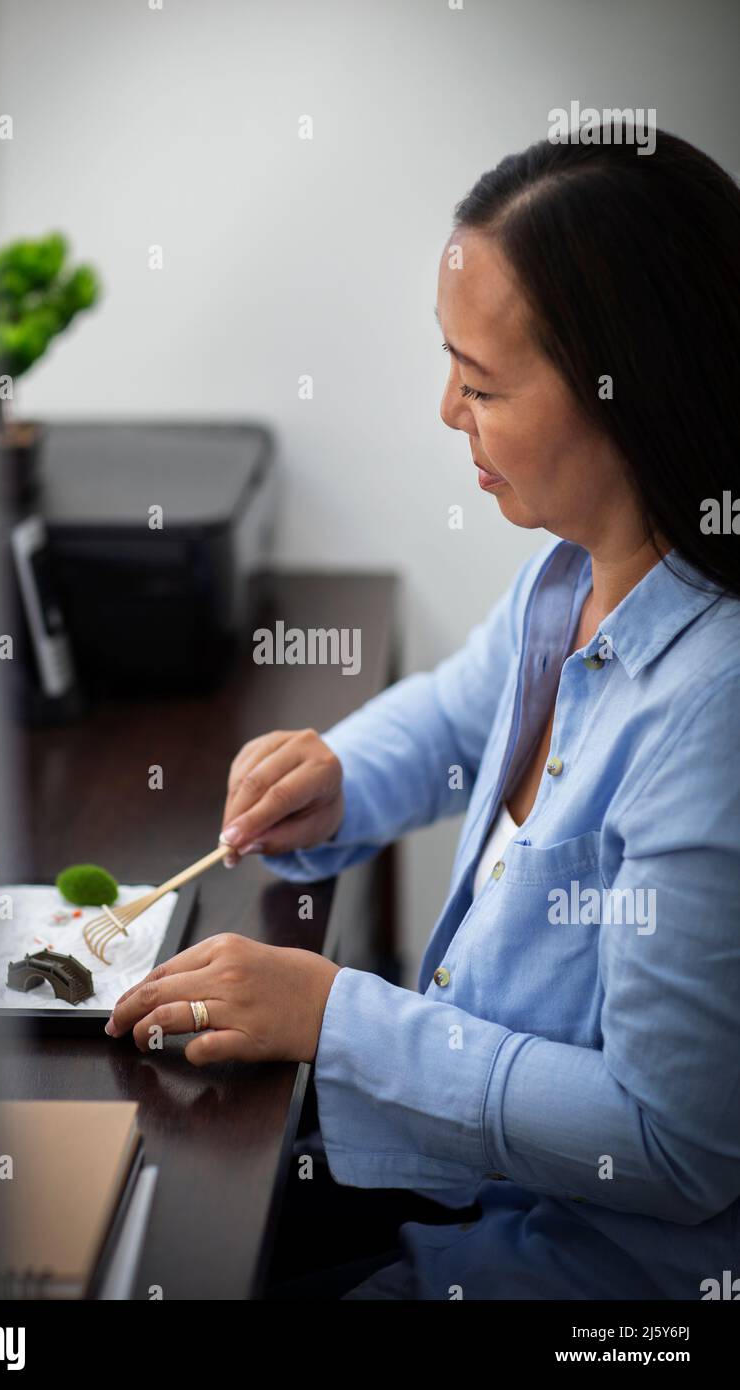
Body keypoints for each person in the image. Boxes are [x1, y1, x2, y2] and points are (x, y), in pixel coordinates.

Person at [107, 126, 740, 1299]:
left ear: (630, 394)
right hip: (471, 1185)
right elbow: (455, 718)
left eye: (484, 383)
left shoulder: (713, 710)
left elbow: (671, 1144)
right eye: (447, 362)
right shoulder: (571, 572)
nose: (446, 407)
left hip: (595, 1265)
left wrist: (335, 1016)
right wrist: (339, 774)